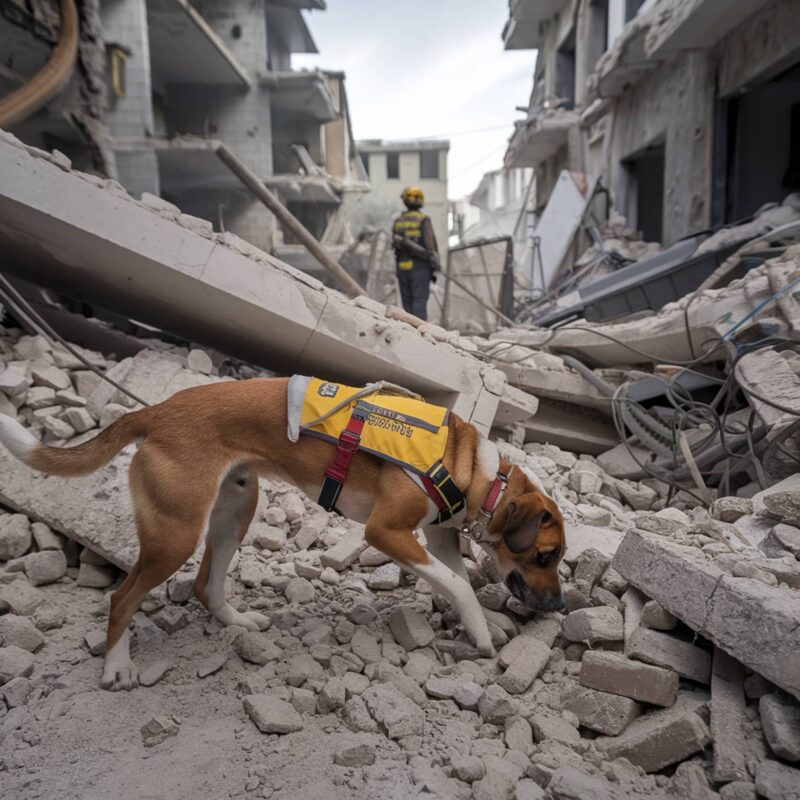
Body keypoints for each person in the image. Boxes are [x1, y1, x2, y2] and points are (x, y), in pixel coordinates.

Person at [392, 186, 439, 320]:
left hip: (402, 267)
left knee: (407, 305)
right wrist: (435, 265)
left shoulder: (398, 221)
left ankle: (409, 330)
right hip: (420, 267)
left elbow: (394, 245)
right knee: (419, 303)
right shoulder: (423, 219)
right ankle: (420, 331)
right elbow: (430, 246)